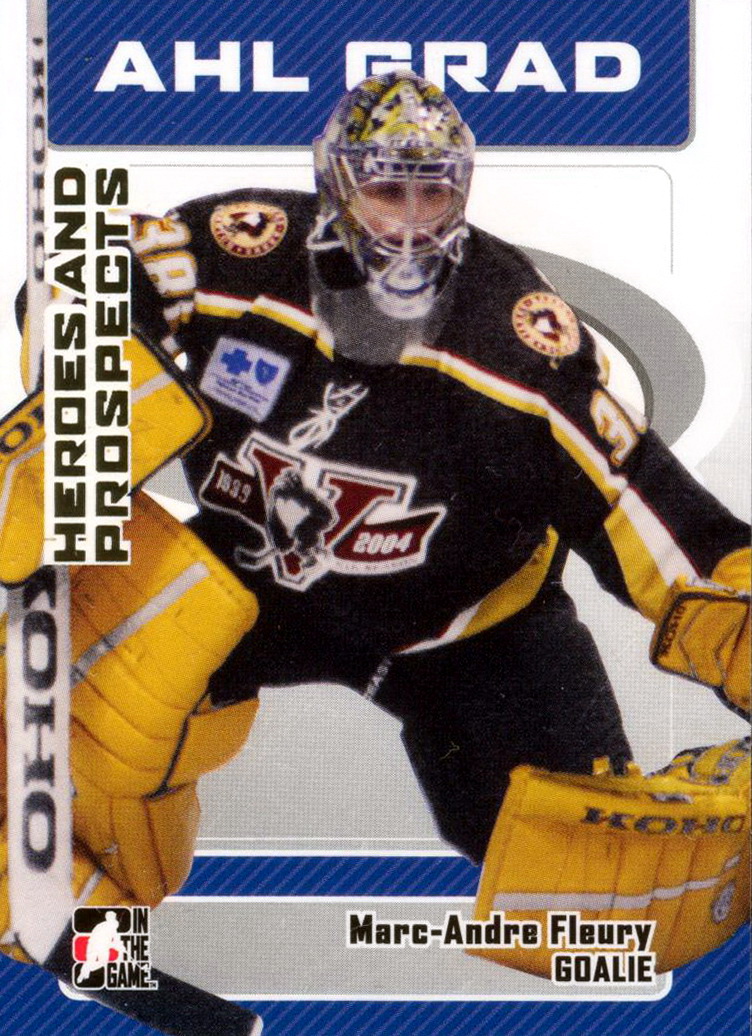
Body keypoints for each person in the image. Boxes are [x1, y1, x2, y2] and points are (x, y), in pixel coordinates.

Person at [1, 72, 749, 979]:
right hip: (253, 592)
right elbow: (82, 259)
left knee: (601, 895)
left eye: (434, 190)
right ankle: (94, 934)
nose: (410, 221)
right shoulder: (245, 247)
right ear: (334, 179)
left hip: (466, 627)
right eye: (387, 187)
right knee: (99, 731)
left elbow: (655, 511)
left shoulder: (521, 345)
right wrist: (81, 400)